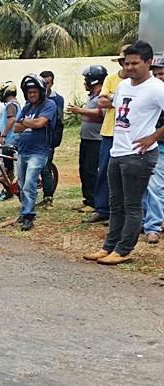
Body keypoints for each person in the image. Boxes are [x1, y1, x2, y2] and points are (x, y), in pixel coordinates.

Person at [84, 41, 164, 265]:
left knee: (132, 204)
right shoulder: (124, 86)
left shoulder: (157, 88)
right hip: (117, 151)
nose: (129, 68)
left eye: (135, 63)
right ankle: (109, 246)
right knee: (115, 203)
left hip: (139, 154)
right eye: (127, 63)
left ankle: (124, 249)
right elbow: (118, 109)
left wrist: (152, 137)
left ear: (149, 63)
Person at [86, 47, 128, 224]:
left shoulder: (139, 81)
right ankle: (102, 208)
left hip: (128, 134)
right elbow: (101, 102)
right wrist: (121, 98)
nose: (126, 65)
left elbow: (108, 100)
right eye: (124, 61)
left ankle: (121, 213)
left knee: (125, 174)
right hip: (109, 131)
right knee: (104, 170)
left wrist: (113, 97)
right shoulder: (111, 78)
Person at [13, 73, 59, 231]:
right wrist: (28, 123)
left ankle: (28, 215)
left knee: (30, 183)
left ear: (41, 91)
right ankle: (24, 210)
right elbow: (16, 127)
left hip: (38, 151)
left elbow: (41, 123)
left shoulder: (49, 105)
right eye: (29, 92)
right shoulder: (26, 107)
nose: (32, 95)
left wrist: (25, 122)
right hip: (22, 150)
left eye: (34, 92)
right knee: (22, 183)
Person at [67, 65, 108, 212]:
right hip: (86, 139)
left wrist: (79, 110)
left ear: (93, 80)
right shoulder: (91, 96)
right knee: (84, 169)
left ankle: (94, 202)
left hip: (96, 140)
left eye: (86, 79)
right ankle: (87, 199)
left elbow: (101, 113)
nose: (85, 82)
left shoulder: (102, 97)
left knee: (92, 170)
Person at [142, 55, 164, 244]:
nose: (160, 77)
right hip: (156, 147)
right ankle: (153, 226)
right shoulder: (150, 93)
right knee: (154, 187)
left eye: (163, 73)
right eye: (156, 74)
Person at [38, 71, 65, 208]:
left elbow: (57, 120)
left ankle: (48, 197)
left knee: (45, 167)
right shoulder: (34, 97)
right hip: (35, 138)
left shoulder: (57, 99)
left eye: (47, 83)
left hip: (49, 138)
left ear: (52, 83)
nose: (45, 86)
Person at [0, 81, 20, 200]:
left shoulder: (10, 105)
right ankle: (9, 189)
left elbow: (11, 120)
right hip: (11, 138)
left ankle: (11, 186)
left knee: (8, 164)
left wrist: (3, 136)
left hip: (11, 139)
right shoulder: (14, 103)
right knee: (8, 165)